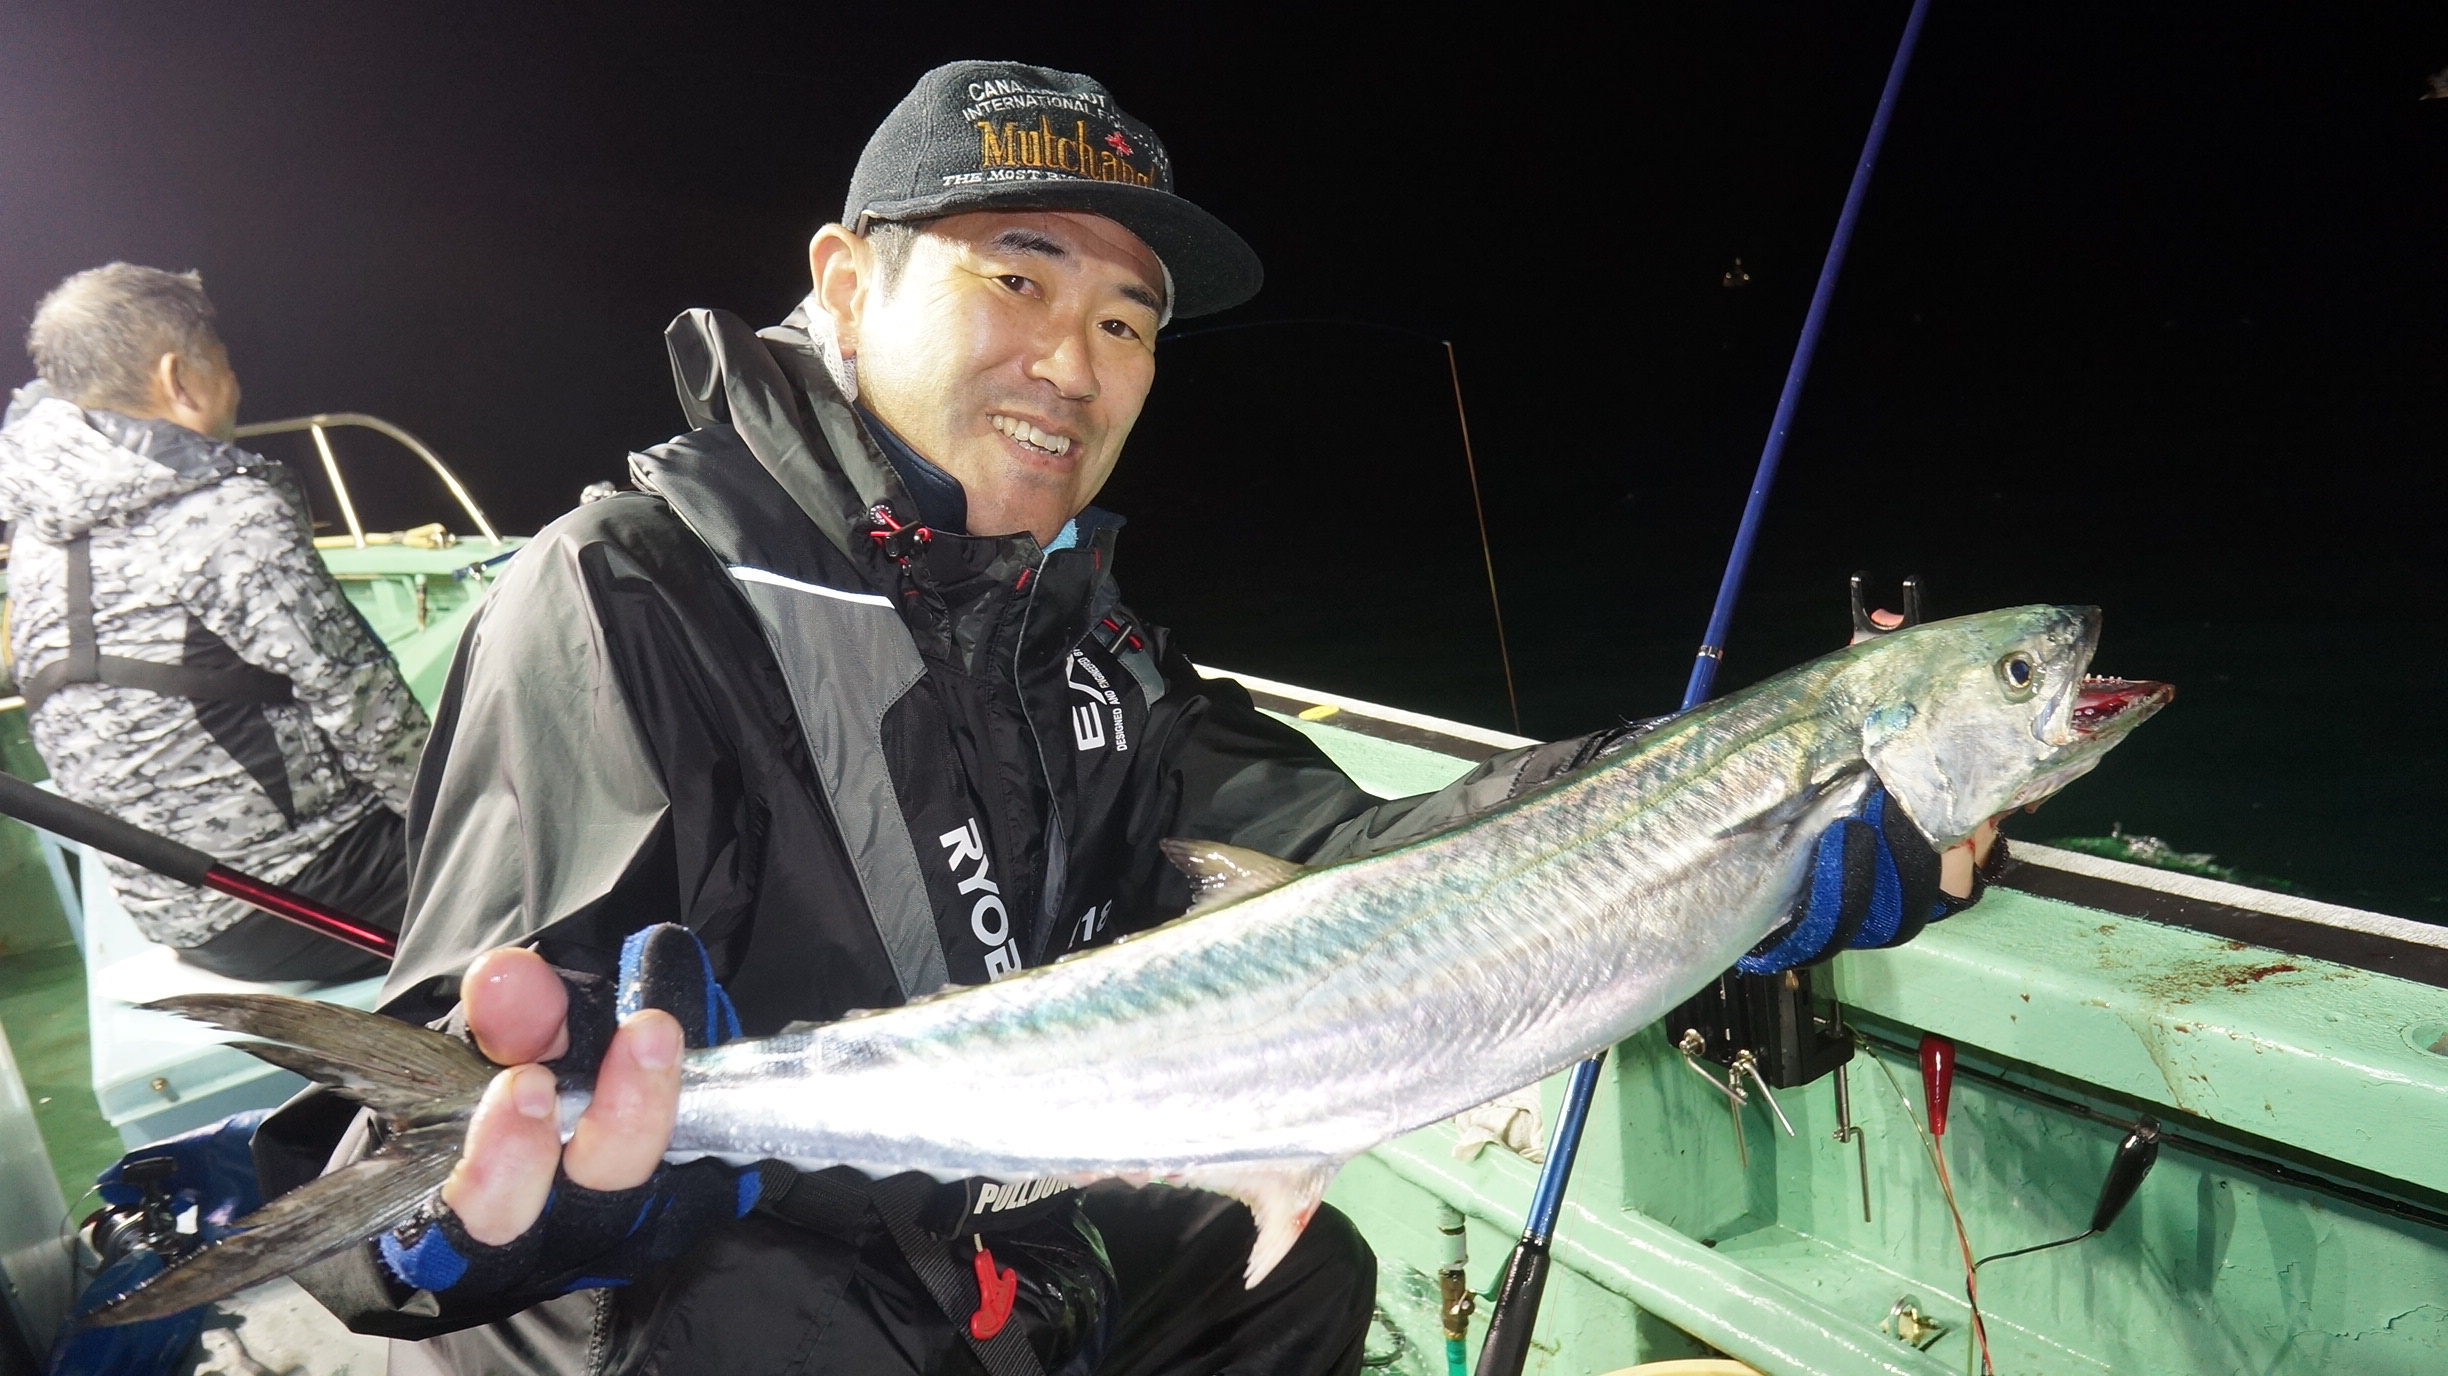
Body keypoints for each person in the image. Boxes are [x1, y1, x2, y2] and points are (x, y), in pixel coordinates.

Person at [256, 62, 2000, 1376]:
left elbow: (1369, 855)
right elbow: (445, 1135)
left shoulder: (1087, 641)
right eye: (1016, 282)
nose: (1075, 367)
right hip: (707, 1306)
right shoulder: (631, 594)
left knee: (1294, 1282)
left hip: (973, 1237)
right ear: (846, 285)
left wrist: (1731, 836)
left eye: (1123, 321)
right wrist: (507, 1201)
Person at [0, 264, 425, 983]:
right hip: (305, 897)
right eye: (223, 362)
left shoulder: (36, 537)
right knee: (566, 843)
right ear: (180, 379)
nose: (234, 385)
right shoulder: (226, 516)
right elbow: (370, 715)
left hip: (177, 913)